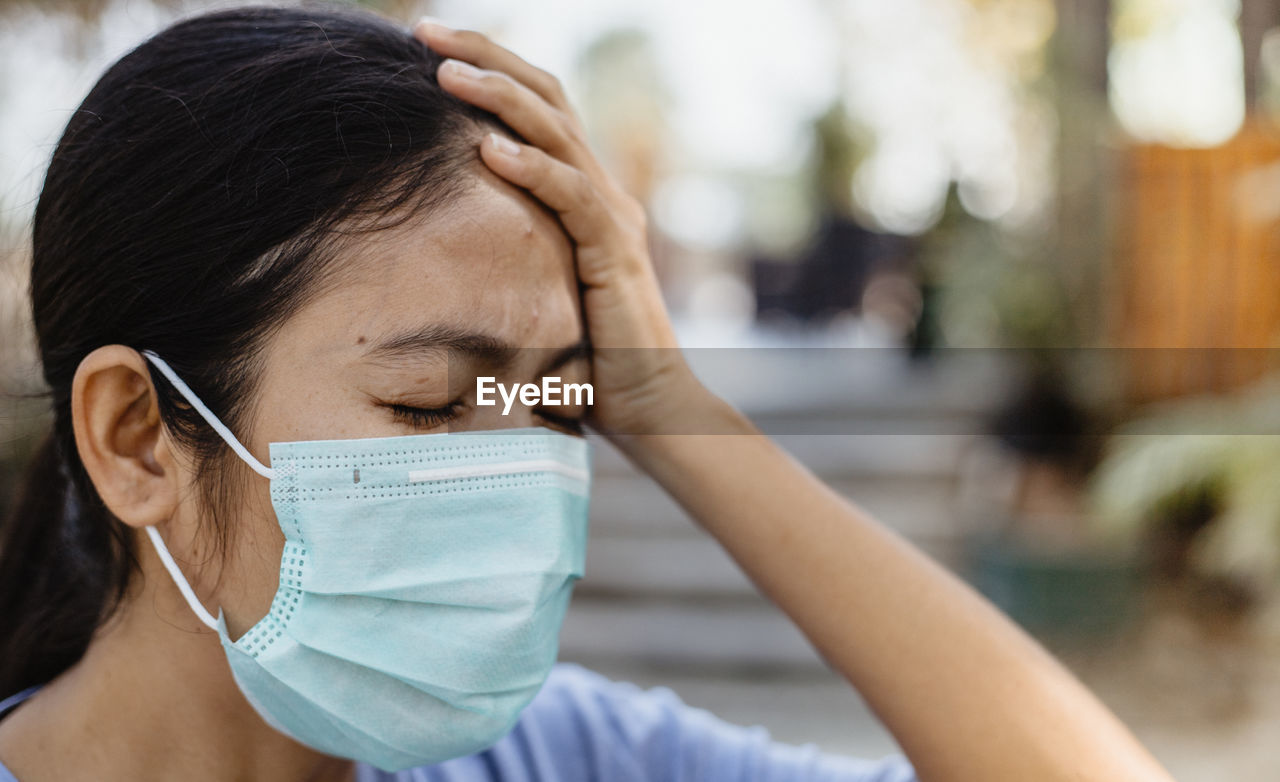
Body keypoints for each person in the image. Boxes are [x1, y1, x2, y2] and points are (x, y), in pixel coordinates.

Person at [0, 4, 1176, 781]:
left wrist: (672, 406)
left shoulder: (569, 752)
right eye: (427, 400)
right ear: (138, 435)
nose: (505, 460)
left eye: (554, 402)